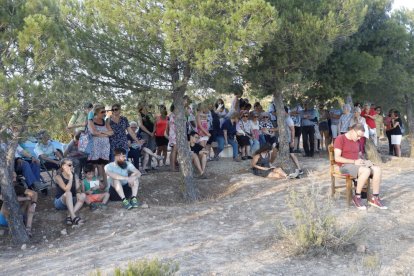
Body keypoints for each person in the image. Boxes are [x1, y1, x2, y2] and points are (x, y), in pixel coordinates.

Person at [334, 123, 387, 210]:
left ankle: (375, 198)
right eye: (358, 136)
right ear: (352, 131)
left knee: (377, 169)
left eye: (361, 137)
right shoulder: (340, 139)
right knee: (366, 171)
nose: (359, 138)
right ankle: (357, 197)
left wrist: (364, 161)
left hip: (357, 164)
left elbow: (359, 155)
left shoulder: (357, 141)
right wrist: (354, 161)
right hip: (345, 166)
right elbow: (337, 158)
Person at [0, 172, 38, 237]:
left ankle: (28, 229)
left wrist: (34, 205)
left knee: (29, 202)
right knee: (6, 203)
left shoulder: (16, 186)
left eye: (15, 177)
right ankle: (11, 228)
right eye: (12, 177)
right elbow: (4, 198)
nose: (15, 180)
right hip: (3, 217)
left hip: (16, 216)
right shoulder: (2, 187)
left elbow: (34, 193)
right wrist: (25, 198)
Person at [54, 158, 86, 225]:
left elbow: (78, 189)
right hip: (60, 202)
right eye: (69, 165)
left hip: (71, 201)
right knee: (68, 193)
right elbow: (67, 189)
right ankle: (74, 217)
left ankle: (69, 215)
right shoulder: (58, 177)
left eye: (72, 165)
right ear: (63, 166)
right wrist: (71, 177)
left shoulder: (75, 175)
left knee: (83, 195)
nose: (71, 167)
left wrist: (78, 193)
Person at [88, 104, 113, 186]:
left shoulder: (105, 121)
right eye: (102, 112)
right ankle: (94, 188)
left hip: (105, 148)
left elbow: (112, 132)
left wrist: (101, 133)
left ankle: (105, 187)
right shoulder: (91, 121)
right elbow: (93, 132)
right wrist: (106, 134)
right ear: (96, 112)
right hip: (95, 148)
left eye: (105, 111)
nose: (104, 113)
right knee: (94, 167)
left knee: (104, 167)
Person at [166, 104, 178, 172]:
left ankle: (172, 166)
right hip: (174, 134)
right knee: (174, 151)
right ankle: (173, 167)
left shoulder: (170, 115)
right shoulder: (174, 115)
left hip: (172, 134)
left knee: (173, 151)